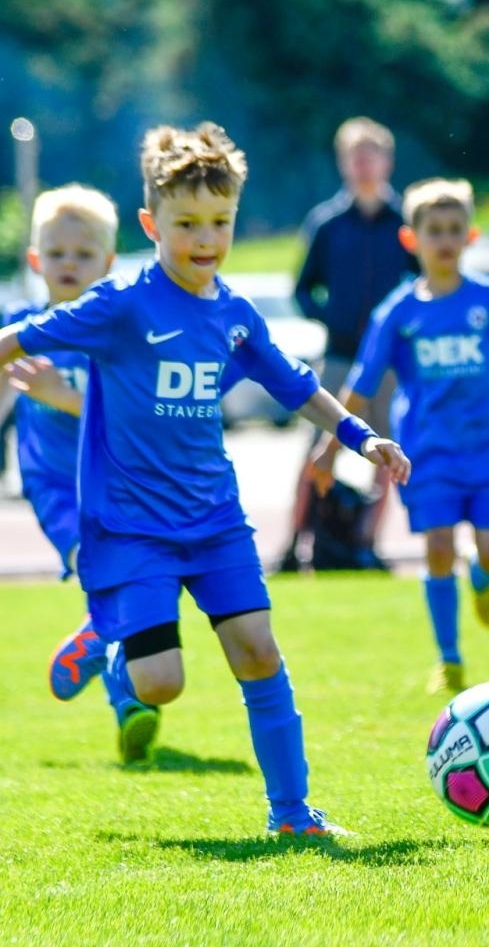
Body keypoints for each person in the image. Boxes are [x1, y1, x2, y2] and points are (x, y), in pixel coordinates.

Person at [0, 122, 411, 835]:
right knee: (161, 684)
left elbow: (297, 386)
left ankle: (293, 815)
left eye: (220, 222)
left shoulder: (234, 316)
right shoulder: (121, 304)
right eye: (187, 223)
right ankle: (111, 643)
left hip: (215, 521)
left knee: (258, 652)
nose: (205, 238)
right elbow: (22, 337)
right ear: (151, 224)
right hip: (133, 530)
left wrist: (361, 435)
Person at [315, 178, 489, 695]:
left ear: (470, 235)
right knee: (439, 546)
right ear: (412, 239)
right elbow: (361, 384)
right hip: (427, 451)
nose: (445, 240)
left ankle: (484, 577)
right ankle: (449, 658)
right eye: (434, 230)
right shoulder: (398, 312)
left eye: (454, 229)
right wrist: (330, 447)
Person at [0, 184, 149, 756]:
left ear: (108, 262)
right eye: (57, 253)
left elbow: (134, 417)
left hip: (115, 485)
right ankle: (127, 700)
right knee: (98, 573)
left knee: (131, 589)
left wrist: (61, 396)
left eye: (83, 254)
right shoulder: (21, 327)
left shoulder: (115, 334)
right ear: (35, 259)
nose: (69, 264)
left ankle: (117, 679)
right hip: (55, 487)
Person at [282, 117, 417, 572]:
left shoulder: (405, 222)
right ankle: (294, 545)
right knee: (318, 446)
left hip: (390, 361)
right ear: (343, 164)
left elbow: (424, 286)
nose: (363, 166)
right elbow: (303, 289)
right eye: (354, 158)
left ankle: (366, 542)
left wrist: (400, 332)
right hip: (340, 356)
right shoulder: (328, 224)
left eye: (370, 156)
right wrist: (333, 319)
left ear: (387, 161)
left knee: (389, 452)